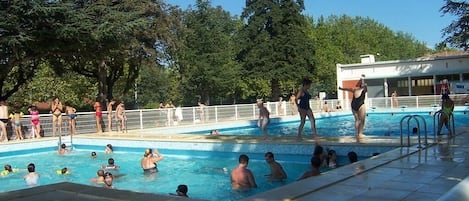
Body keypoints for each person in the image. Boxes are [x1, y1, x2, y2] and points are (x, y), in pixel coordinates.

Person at [339, 76, 368, 142]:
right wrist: (363, 80)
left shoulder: (354, 89)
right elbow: (365, 86)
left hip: (353, 105)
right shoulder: (364, 90)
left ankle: (357, 134)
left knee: (357, 120)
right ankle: (360, 133)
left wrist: (341, 88)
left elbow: (346, 89)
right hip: (360, 104)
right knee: (362, 120)